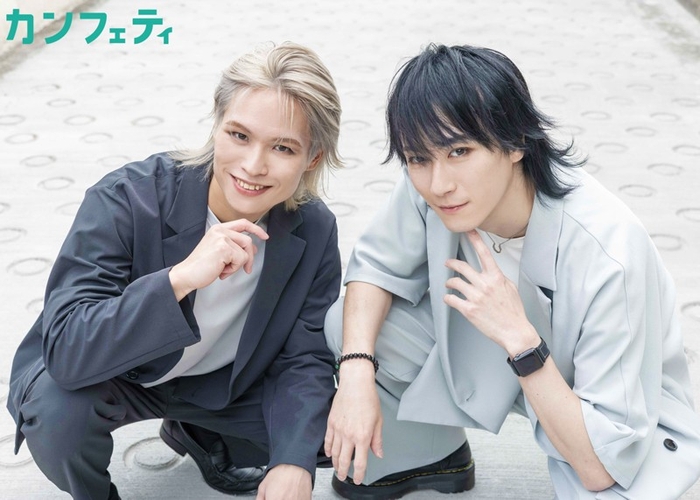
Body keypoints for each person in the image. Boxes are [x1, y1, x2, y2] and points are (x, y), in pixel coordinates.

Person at [323, 43, 700, 499]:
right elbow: (374, 269)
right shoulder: (431, 184)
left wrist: (519, 339)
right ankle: (428, 454)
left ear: (516, 141)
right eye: (418, 158)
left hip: (601, 401)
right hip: (493, 353)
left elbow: (601, 467)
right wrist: (356, 373)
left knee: (607, 484)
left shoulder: (610, 250)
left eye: (460, 151)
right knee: (349, 323)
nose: (439, 184)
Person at [7, 41, 343, 500]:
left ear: (313, 158)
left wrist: (292, 463)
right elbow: (68, 349)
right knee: (56, 414)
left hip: (222, 385)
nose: (253, 165)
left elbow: (303, 358)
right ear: (217, 124)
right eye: (239, 135)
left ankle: (201, 434)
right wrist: (179, 279)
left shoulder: (314, 228)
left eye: (283, 147)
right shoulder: (127, 197)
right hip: (117, 373)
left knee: (328, 432)